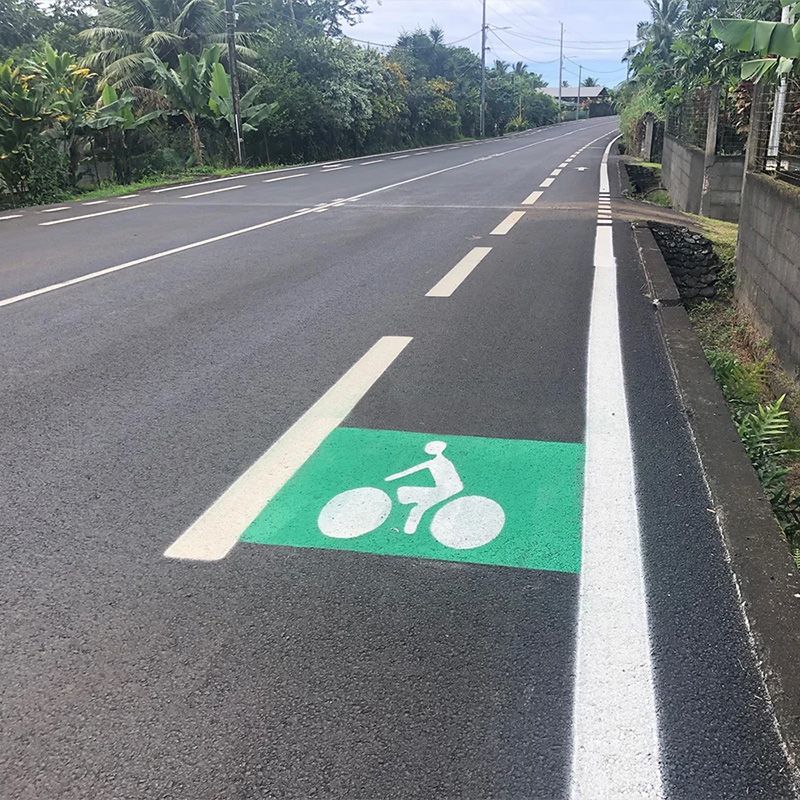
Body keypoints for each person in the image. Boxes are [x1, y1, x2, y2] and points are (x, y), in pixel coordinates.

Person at [385, 441, 463, 534]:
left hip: (449, 489)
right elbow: (410, 470)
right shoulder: (432, 462)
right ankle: (411, 515)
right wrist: (392, 477)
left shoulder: (442, 462)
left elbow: (453, 481)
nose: (433, 451)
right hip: (447, 488)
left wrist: (392, 477)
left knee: (418, 506)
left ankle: (410, 526)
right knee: (408, 495)